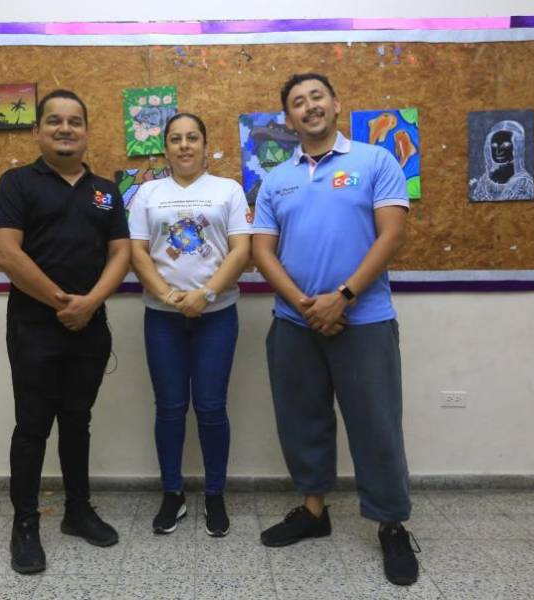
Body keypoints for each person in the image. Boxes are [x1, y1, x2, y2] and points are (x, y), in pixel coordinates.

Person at [251, 73, 419, 586]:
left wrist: (342, 297)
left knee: (376, 425)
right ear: (287, 119)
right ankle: (314, 512)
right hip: (294, 323)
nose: (309, 107)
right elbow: (261, 251)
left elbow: (392, 233)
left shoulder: (375, 161)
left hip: (364, 320)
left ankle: (391, 525)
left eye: (316, 97)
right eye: (298, 103)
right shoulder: (276, 178)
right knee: (302, 421)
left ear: (335, 104)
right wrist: (304, 305)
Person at [0, 89, 131, 574]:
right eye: (54, 121)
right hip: (34, 329)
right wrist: (62, 303)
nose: (65, 129)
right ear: (38, 131)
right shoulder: (16, 183)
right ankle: (25, 525)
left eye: (74, 121)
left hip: (90, 328)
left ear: (87, 130)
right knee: (31, 429)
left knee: (77, 421)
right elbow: (8, 254)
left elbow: (121, 253)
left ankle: (77, 511)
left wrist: (90, 304)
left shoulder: (106, 190)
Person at [129, 112, 251, 537]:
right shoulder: (147, 192)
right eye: (176, 139)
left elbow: (241, 250)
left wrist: (206, 295)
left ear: (205, 145)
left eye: (192, 138)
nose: (184, 145)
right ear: (165, 147)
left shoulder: (227, 190)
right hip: (162, 318)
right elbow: (138, 252)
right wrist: (167, 295)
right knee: (170, 408)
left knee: (212, 408)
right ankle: (173, 494)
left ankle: (215, 495)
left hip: (216, 317)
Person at [469, 119, 534, 201]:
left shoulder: (523, 183)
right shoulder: (485, 179)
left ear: (517, 147)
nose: (498, 151)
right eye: (494, 146)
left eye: (505, 145)